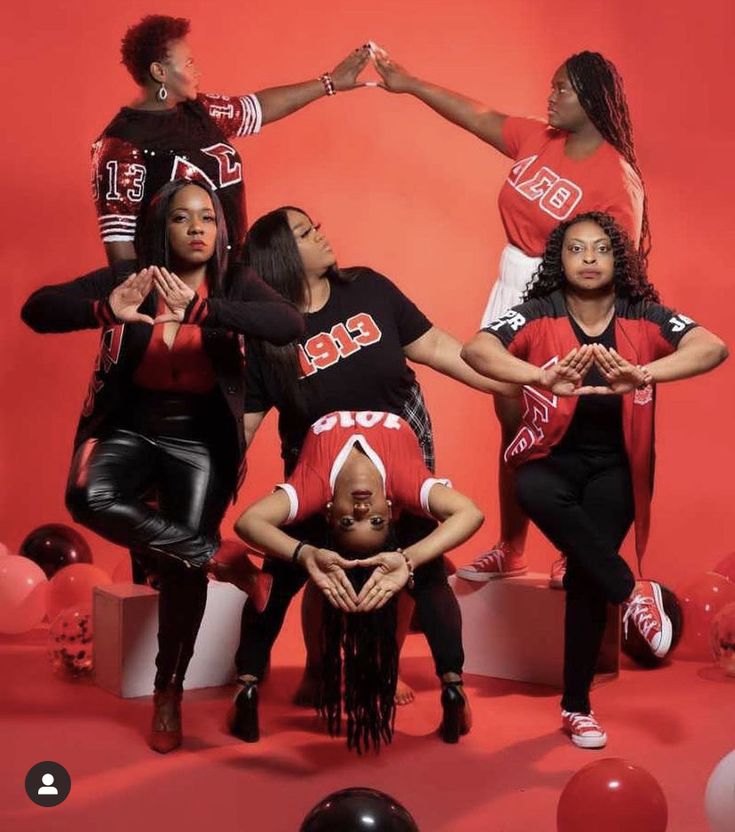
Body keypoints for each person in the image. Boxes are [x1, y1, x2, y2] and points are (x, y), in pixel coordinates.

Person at [21, 180, 304, 754]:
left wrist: (205, 309)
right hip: (128, 425)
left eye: (209, 217)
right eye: (183, 218)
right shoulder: (134, 279)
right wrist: (106, 309)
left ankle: (168, 694)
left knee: (178, 570)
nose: (199, 227)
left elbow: (288, 324)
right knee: (88, 496)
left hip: (198, 438)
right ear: (162, 229)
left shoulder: (232, 282)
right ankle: (215, 553)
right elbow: (38, 309)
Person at [232, 205, 516, 731]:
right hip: (317, 464)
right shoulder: (266, 338)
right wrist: (200, 490)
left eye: (316, 224)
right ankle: (318, 669)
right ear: (281, 258)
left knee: (405, 558)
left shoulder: (367, 288)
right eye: (305, 232)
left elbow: (435, 347)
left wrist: (509, 383)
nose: (321, 233)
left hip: (398, 447)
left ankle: (385, 668)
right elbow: (242, 429)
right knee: (312, 572)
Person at [373, 47, 648, 586]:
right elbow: (477, 115)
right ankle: (512, 547)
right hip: (511, 283)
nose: (551, 97)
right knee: (514, 424)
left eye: (562, 89)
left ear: (591, 99)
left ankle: (578, 545)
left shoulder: (616, 179)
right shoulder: (540, 139)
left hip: (559, 300)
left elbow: (621, 270)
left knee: (562, 429)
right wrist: (408, 83)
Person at [461, 212, 727, 747]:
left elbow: (713, 346)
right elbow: (476, 350)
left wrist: (645, 373)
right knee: (531, 488)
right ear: (559, 259)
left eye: (600, 249)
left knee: (586, 576)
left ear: (617, 260)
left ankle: (576, 707)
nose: (588, 259)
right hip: (549, 457)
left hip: (616, 466)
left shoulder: (643, 316)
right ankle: (632, 593)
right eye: (576, 249)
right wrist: (538, 375)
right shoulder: (538, 313)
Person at [234, 409, 484, 750]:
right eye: (376, 521)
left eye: (348, 522)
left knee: (282, 570)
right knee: (429, 575)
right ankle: (452, 686)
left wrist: (303, 552)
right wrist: (408, 558)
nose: (362, 512)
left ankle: (247, 683)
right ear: (392, 506)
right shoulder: (405, 480)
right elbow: (471, 512)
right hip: (391, 401)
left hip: (328, 395)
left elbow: (248, 522)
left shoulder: (314, 485)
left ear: (327, 512)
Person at [93, 14, 370, 267]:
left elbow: (259, 107)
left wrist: (330, 82)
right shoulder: (121, 142)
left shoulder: (200, 110)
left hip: (233, 274)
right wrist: (141, 311)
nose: (197, 69)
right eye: (188, 62)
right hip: (179, 289)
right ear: (159, 72)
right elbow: (119, 241)